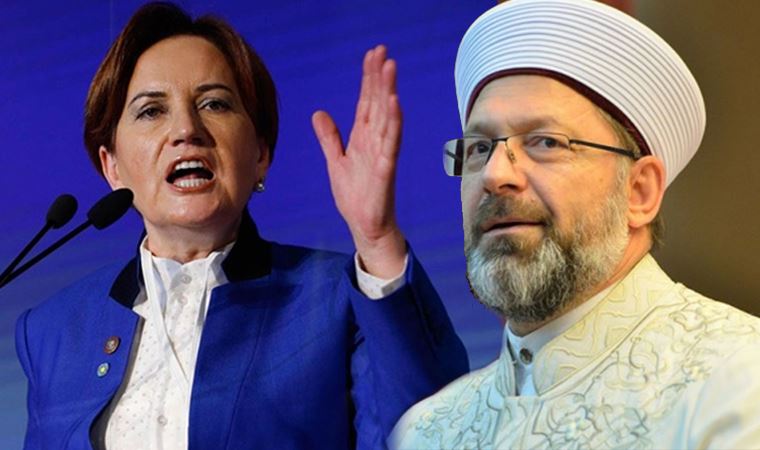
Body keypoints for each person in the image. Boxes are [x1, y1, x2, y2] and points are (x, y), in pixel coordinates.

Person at [14, 3, 468, 449]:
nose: (186, 129)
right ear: (112, 166)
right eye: (151, 111)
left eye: (214, 103)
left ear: (260, 155)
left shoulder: (336, 299)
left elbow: (431, 433)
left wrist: (377, 240)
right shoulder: (53, 330)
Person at [391, 0, 760, 448]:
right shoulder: (427, 432)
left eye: (546, 142)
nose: (494, 174)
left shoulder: (736, 383)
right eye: (480, 148)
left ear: (639, 191)